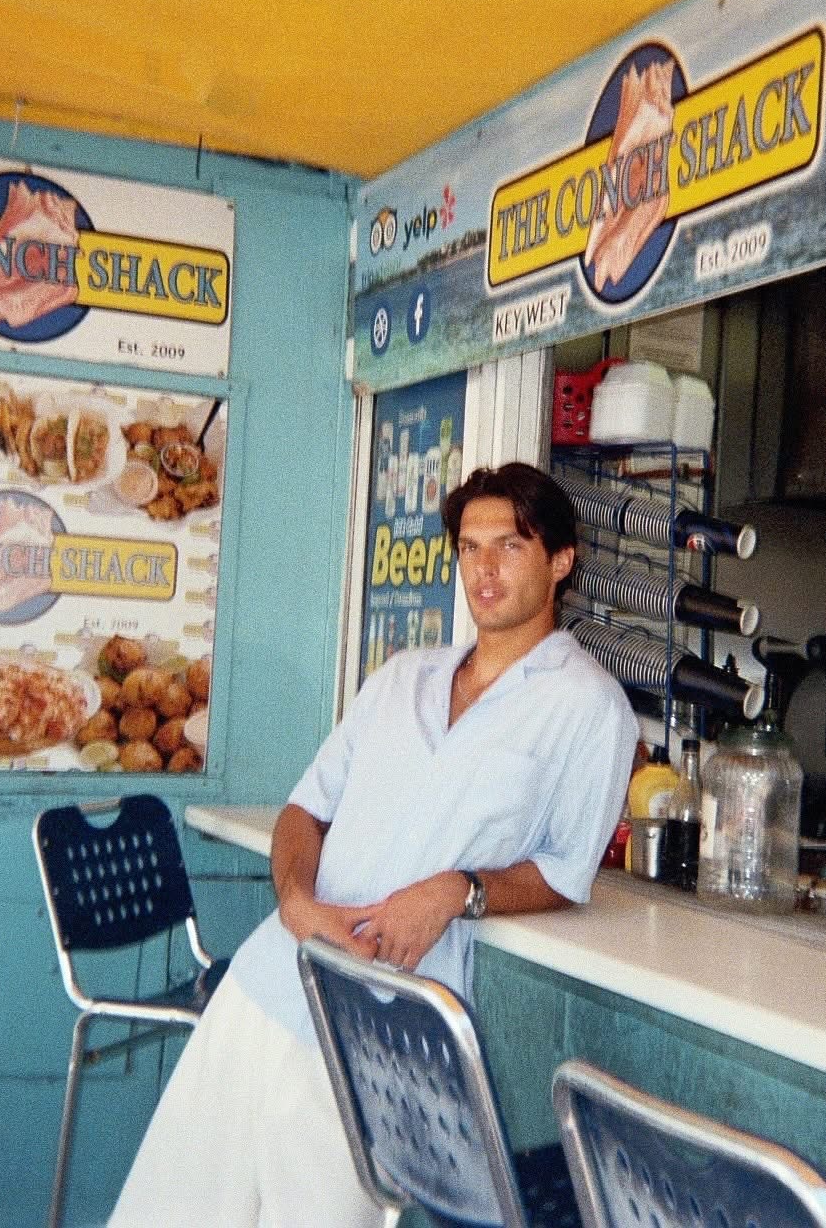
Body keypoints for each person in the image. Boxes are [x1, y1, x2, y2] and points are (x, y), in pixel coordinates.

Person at [110, 461, 638, 1228]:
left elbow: (564, 874)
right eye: (469, 548)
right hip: (270, 977)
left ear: (560, 561)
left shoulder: (590, 708)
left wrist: (458, 890)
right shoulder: (401, 677)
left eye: (509, 546)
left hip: (383, 1020)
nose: (484, 571)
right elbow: (305, 810)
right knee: (176, 1210)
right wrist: (295, 901)